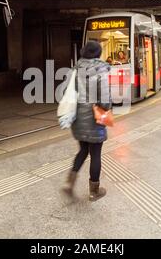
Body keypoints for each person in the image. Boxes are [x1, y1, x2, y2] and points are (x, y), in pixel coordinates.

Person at [62, 41, 112, 201]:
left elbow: (66, 91)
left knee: (83, 151)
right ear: (98, 53)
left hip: (78, 118)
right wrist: (107, 108)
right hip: (94, 118)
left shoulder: (75, 69)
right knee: (95, 153)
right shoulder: (100, 70)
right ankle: (94, 192)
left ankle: (69, 184)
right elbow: (104, 100)